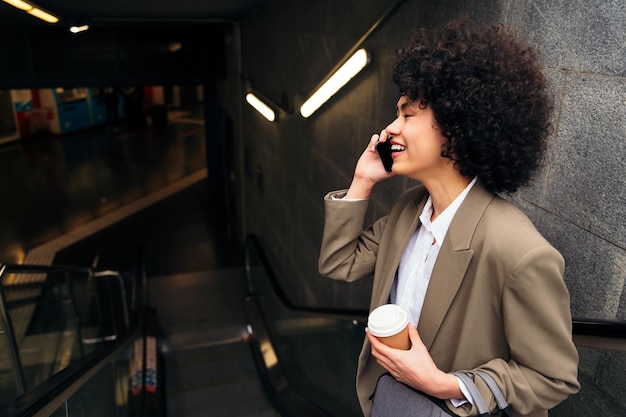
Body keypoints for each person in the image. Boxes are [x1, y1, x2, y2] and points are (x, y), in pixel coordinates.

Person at [318, 19, 580, 417]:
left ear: (457, 128)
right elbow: (340, 263)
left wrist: (446, 384)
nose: (389, 129)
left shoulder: (517, 250)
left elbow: (553, 377)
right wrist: (362, 180)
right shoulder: (409, 210)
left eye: (407, 115)